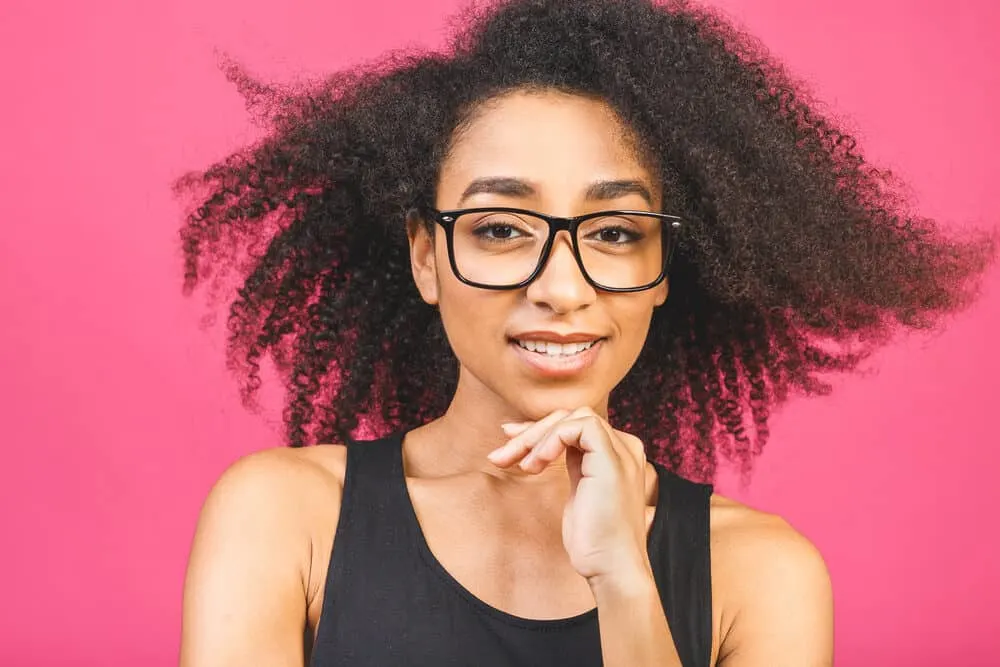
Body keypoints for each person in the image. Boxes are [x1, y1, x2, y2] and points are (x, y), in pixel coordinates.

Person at [174, 0, 993, 665]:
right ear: (427, 256)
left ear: (667, 264)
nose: (562, 288)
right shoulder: (286, 517)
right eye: (500, 229)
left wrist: (625, 583)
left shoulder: (760, 573)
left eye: (613, 233)